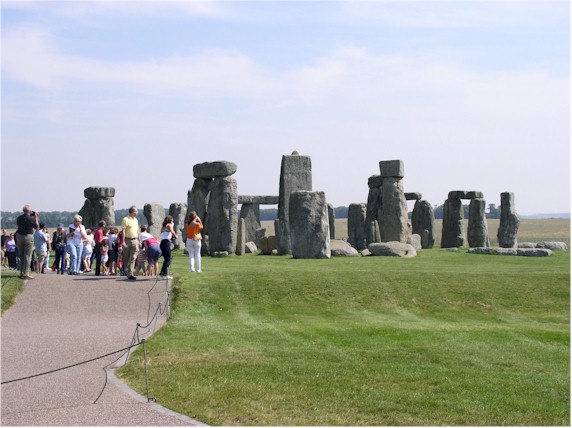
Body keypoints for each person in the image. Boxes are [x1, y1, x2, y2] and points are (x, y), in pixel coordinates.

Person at [16, 205, 39, 279]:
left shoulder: (19, 218)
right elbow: (37, 227)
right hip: (28, 237)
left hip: (20, 237)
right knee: (27, 256)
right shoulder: (31, 219)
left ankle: (21, 272)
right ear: (29, 211)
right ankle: (26, 273)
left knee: (21, 256)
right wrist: (36, 217)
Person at [121, 205, 140, 280]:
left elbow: (137, 230)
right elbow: (123, 231)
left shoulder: (136, 220)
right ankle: (126, 270)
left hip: (135, 240)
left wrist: (139, 240)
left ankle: (130, 273)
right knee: (126, 257)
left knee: (133, 257)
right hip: (127, 240)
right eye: (136, 211)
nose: (137, 212)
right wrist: (123, 241)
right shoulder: (125, 219)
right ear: (132, 212)